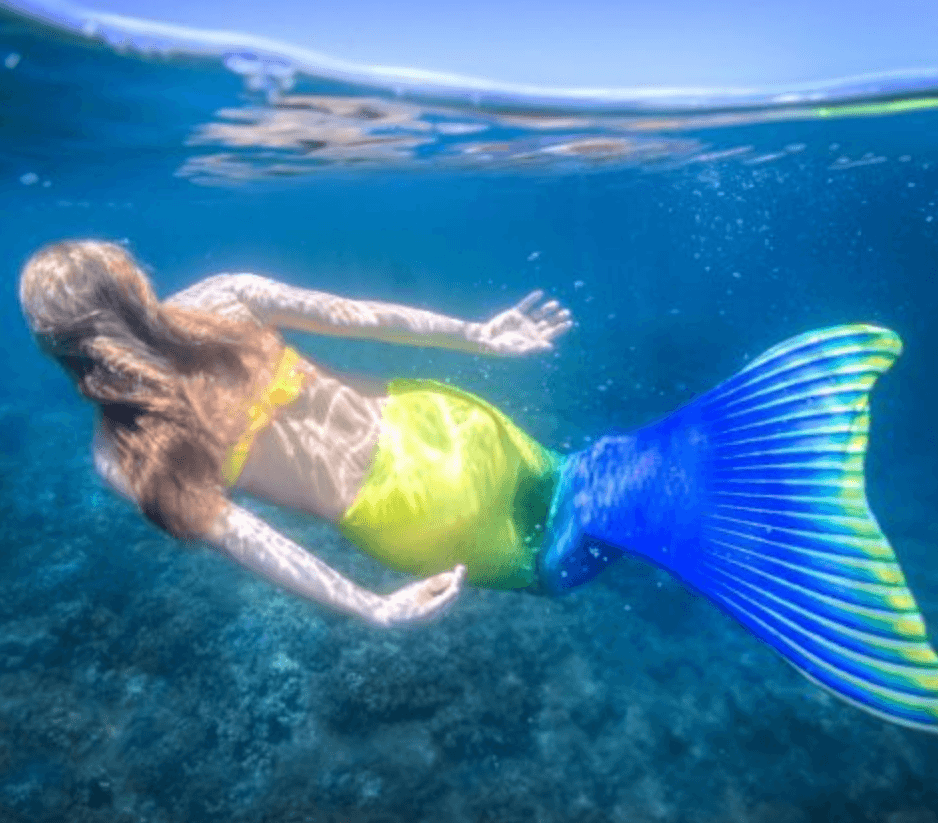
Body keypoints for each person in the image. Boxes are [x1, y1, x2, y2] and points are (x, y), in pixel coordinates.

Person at [18, 239, 938, 733]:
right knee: (570, 481)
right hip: (444, 422)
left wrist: (367, 606)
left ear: (61, 348)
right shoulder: (223, 298)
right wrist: (479, 337)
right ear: (132, 283)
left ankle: (707, 506)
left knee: (560, 563)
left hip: (411, 514)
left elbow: (251, 541)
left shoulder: (121, 454)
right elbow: (364, 318)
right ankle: (709, 474)